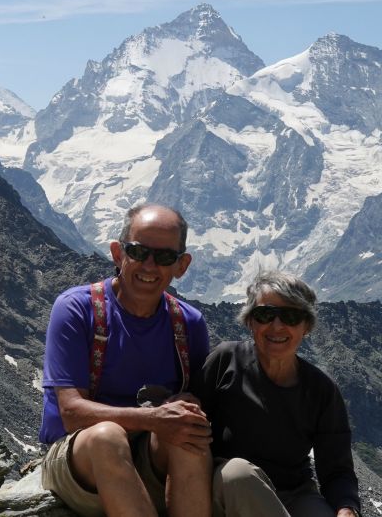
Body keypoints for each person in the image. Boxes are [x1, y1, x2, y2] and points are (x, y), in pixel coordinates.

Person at [39, 203, 213, 517]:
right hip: (78, 459)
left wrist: (187, 405)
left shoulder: (188, 324)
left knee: (189, 430)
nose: (149, 266)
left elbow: (195, 404)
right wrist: (154, 419)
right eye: (138, 252)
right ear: (118, 254)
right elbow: (71, 413)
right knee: (107, 436)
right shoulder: (77, 309)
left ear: (181, 265)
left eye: (164, 257)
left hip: (145, 457)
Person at [197, 270, 361, 517]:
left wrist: (347, 508)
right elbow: (187, 419)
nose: (277, 326)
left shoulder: (321, 390)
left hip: (295, 493)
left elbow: (337, 470)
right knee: (237, 473)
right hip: (229, 489)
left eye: (291, 316)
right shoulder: (226, 360)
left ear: (306, 326)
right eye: (265, 314)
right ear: (250, 321)